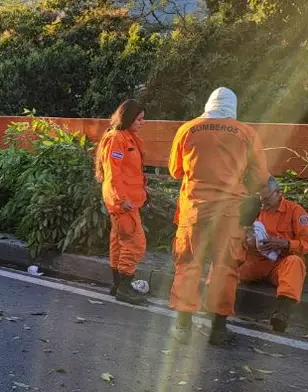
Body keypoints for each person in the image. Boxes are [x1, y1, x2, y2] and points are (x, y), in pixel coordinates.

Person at [167, 87, 270, 346]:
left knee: (189, 263)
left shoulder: (187, 129)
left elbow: (175, 170)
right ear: (233, 108)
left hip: (194, 210)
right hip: (229, 212)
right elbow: (260, 178)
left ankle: (182, 326)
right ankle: (218, 330)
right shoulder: (246, 133)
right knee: (225, 267)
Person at [94, 99, 150, 304]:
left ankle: (118, 286)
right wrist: (121, 199)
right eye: (139, 119)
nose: (142, 123)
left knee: (120, 242)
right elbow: (113, 172)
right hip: (123, 202)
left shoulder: (126, 137)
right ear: (128, 118)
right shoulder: (118, 138)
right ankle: (125, 287)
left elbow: (128, 171)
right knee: (135, 243)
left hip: (125, 200)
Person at [239, 176, 307, 332]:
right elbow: (234, 233)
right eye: (260, 200)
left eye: (267, 199)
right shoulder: (253, 209)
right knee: (227, 257)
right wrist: (247, 239)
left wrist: (287, 244)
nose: (263, 204)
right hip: (254, 261)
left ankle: (282, 313)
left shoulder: (296, 212)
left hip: (279, 264)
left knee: (295, 262)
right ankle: (212, 298)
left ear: (278, 193)